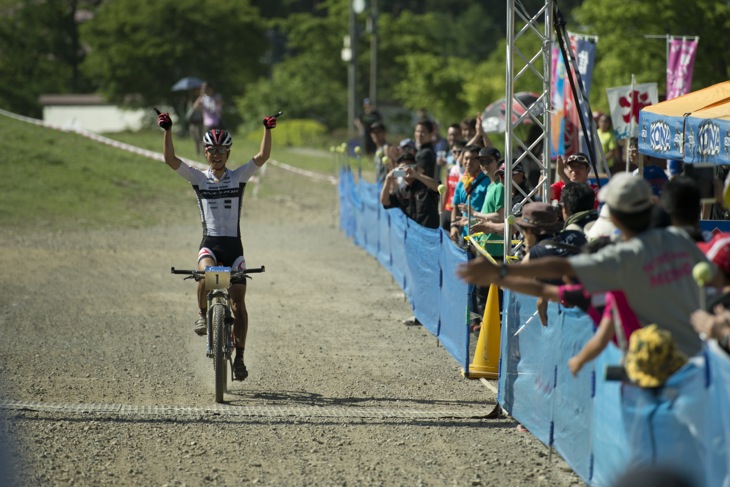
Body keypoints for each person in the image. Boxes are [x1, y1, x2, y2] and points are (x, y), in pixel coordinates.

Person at [457, 172, 710, 357]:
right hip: (704, 361)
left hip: (661, 366)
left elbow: (560, 268)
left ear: (616, 217)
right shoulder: (679, 239)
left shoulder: (624, 256)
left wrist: (500, 270)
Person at [157, 109, 277, 381]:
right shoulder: (199, 179)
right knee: (209, 275)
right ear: (206, 153)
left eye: (222, 150)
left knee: (239, 304)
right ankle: (202, 314)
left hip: (234, 249)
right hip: (210, 245)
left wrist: (267, 130)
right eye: (212, 150)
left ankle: (241, 358)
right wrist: (167, 130)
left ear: (228, 153)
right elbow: (170, 160)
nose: (217, 155)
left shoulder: (238, 177)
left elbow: (262, 157)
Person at [380, 151, 440, 229]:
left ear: (415, 167)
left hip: (430, 235)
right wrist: (388, 180)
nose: (405, 170)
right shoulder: (401, 192)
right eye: (401, 169)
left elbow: (437, 187)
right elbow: (385, 201)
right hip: (412, 236)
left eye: (408, 167)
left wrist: (416, 174)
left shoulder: (425, 184)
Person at [450, 145, 491, 246]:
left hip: (483, 236)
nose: (468, 162)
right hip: (465, 236)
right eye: (466, 158)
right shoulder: (461, 182)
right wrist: (453, 226)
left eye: (473, 159)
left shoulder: (488, 181)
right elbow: (455, 207)